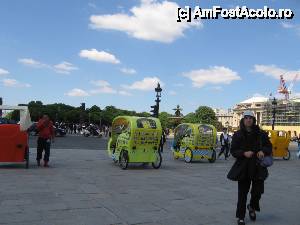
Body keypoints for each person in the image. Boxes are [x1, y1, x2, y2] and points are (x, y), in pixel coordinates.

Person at [227, 110, 272, 225]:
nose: (248, 120)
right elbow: (233, 151)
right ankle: (240, 217)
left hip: (257, 166)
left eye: (250, 118)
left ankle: (251, 206)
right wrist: (243, 153)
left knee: (257, 192)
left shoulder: (261, 134)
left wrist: (263, 151)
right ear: (243, 120)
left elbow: (269, 147)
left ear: (253, 120)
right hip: (244, 167)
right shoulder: (238, 134)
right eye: (246, 118)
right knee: (242, 193)